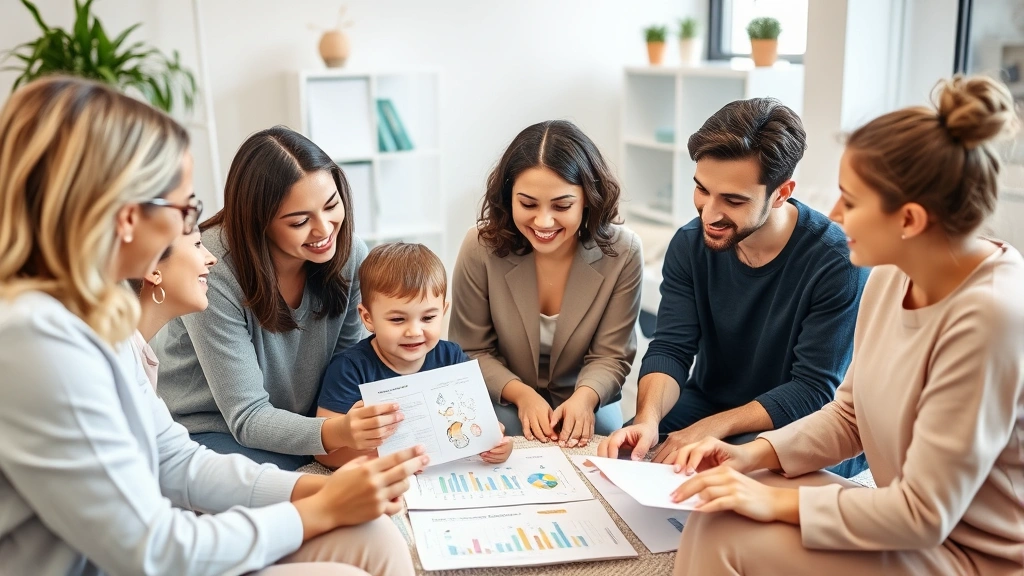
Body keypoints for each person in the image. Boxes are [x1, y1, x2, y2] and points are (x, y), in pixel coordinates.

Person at [0, 76, 422, 576]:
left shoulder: (100, 319)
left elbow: (175, 462)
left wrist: (321, 489)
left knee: (374, 537)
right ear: (123, 214)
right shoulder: (35, 339)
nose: (193, 230)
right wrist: (320, 509)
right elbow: (156, 549)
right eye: (184, 208)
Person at [668, 75, 1023, 575]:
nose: (834, 214)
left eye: (850, 202)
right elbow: (849, 416)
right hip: (904, 520)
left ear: (910, 219)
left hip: (968, 555)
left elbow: (924, 514)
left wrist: (772, 502)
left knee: (730, 533)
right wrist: (748, 458)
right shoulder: (887, 279)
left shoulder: (991, 316)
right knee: (718, 509)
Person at [598, 98, 868, 476]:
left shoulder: (837, 263)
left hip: (800, 425)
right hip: (708, 402)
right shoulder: (690, 244)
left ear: (781, 193)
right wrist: (648, 417)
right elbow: (672, 347)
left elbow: (812, 391)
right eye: (702, 190)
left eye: (733, 200)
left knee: (724, 476)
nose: (709, 213)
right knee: (627, 455)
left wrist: (712, 429)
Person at [156, 126, 385, 471]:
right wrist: (336, 432)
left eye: (331, 205)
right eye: (299, 221)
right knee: (303, 494)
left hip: (307, 423)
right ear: (259, 222)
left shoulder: (350, 254)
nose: (324, 229)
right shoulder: (214, 268)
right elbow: (246, 416)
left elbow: (344, 371)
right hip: (216, 430)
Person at [449, 119, 643, 448]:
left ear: (588, 199)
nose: (543, 221)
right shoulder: (479, 248)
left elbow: (611, 355)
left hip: (586, 395)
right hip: (504, 393)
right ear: (508, 197)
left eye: (562, 206)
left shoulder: (623, 252)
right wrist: (522, 394)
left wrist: (585, 398)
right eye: (527, 204)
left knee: (600, 439)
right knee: (499, 438)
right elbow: (470, 349)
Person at [316, 242, 513, 468]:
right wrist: (385, 460)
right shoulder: (349, 369)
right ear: (368, 318)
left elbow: (482, 423)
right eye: (398, 320)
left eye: (428, 318)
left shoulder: (452, 358)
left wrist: (496, 443)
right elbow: (323, 454)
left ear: (443, 311)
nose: (414, 332)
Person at [127, 226, 218, 388]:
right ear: (152, 271)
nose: (212, 259)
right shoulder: (117, 362)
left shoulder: (135, 356)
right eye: (197, 244)